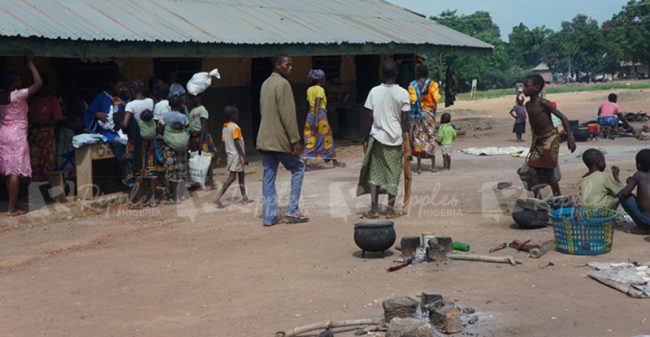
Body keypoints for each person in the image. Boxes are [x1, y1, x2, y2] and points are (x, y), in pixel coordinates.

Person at [257, 53, 308, 226]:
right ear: (278, 66)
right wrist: (295, 140)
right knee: (299, 168)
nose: (291, 68)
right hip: (280, 139)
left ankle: (269, 217)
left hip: (264, 138)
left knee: (268, 177)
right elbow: (288, 116)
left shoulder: (265, 83)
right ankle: (292, 209)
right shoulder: (283, 84)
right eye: (287, 65)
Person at [357, 60, 410, 219]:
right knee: (393, 174)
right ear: (396, 74)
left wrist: (364, 137)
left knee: (375, 174)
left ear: (382, 74)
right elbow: (406, 120)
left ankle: (374, 209)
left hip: (377, 138)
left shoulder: (374, 92)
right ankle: (389, 209)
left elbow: (367, 117)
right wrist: (408, 138)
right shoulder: (403, 93)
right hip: (395, 139)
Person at [0, 50, 42, 216]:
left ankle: (12, 202)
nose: (20, 79)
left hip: (3, 133)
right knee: (15, 170)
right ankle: (11, 207)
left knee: (7, 169)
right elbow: (38, 83)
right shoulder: (18, 96)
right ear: (13, 82)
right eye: (18, 78)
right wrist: (31, 63)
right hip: (16, 134)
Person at [523, 74, 576, 198]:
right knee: (531, 171)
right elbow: (533, 127)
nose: (524, 89)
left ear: (536, 88)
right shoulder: (528, 105)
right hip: (539, 140)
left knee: (549, 173)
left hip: (550, 139)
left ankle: (558, 198)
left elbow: (563, 118)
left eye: (526, 86)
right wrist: (533, 145)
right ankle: (538, 199)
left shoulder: (543, 103)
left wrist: (570, 138)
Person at [85, 74, 132, 186]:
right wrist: (96, 114)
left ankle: (132, 174)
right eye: (119, 86)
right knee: (118, 143)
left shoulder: (121, 98)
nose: (121, 89)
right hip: (106, 131)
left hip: (120, 130)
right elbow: (88, 114)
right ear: (111, 85)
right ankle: (126, 175)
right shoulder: (100, 98)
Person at [124, 80, 159, 208]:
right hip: (150, 140)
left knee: (137, 170)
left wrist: (119, 124)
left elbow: (125, 123)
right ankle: (153, 199)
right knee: (151, 168)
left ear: (133, 90)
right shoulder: (150, 101)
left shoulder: (130, 105)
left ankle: (138, 202)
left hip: (137, 142)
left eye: (129, 90)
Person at [302, 69, 345, 170]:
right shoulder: (320, 90)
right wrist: (317, 120)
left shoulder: (309, 89)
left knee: (310, 138)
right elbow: (317, 105)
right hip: (320, 116)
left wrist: (311, 118)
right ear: (322, 79)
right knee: (327, 138)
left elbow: (310, 105)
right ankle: (334, 161)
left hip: (310, 115)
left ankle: (304, 163)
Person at [214, 106, 252, 208]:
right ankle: (218, 197)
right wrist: (244, 156)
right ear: (234, 115)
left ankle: (244, 197)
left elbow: (222, 143)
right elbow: (237, 142)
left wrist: (220, 156)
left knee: (241, 175)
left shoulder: (225, 127)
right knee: (232, 177)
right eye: (237, 113)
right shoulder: (235, 127)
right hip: (237, 155)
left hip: (231, 155)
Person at [28, 74, 64, 180]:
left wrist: (38, 124)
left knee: (47, 162)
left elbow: (58, 120)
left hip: (47, 136)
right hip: (32, 135)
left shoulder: (52, 100)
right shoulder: (32, 100)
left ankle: (46, 187)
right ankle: (35, 186)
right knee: (33, 162)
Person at [409, 64, 441, 174]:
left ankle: (418, 167)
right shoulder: (432, 84)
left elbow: (412, 101)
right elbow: (436, 100)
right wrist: (434, 115)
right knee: (430, 137)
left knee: (418, 139)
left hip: (418, 115)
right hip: (429, 114)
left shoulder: (413, 85)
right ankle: (432, 166)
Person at [159, 95, 190, 205]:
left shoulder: (164, 116)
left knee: (171, 171)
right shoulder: (183, 117)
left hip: (169, 147)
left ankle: (173, 196)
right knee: (180, 169)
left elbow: (160, 129)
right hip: (181, 147)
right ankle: (180, 195)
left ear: (170, 105)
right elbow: (187, 127)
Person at [186, 93, 217, 189]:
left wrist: (201, 141)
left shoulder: (202, 110)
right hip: (194, 138)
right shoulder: (192, 110)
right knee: (197, 160)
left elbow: (204, 126)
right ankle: (198, 181)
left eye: (194, 98)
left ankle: (211, 182)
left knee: (207, 159)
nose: (192, 100)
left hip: (202, 137)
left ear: (199, 98)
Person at [619, 149, 650, 230]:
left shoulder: (639, 175)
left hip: (646, 221)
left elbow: (625, 193)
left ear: (638, 165)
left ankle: (642, 227)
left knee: (622, 195)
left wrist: (630, 181)